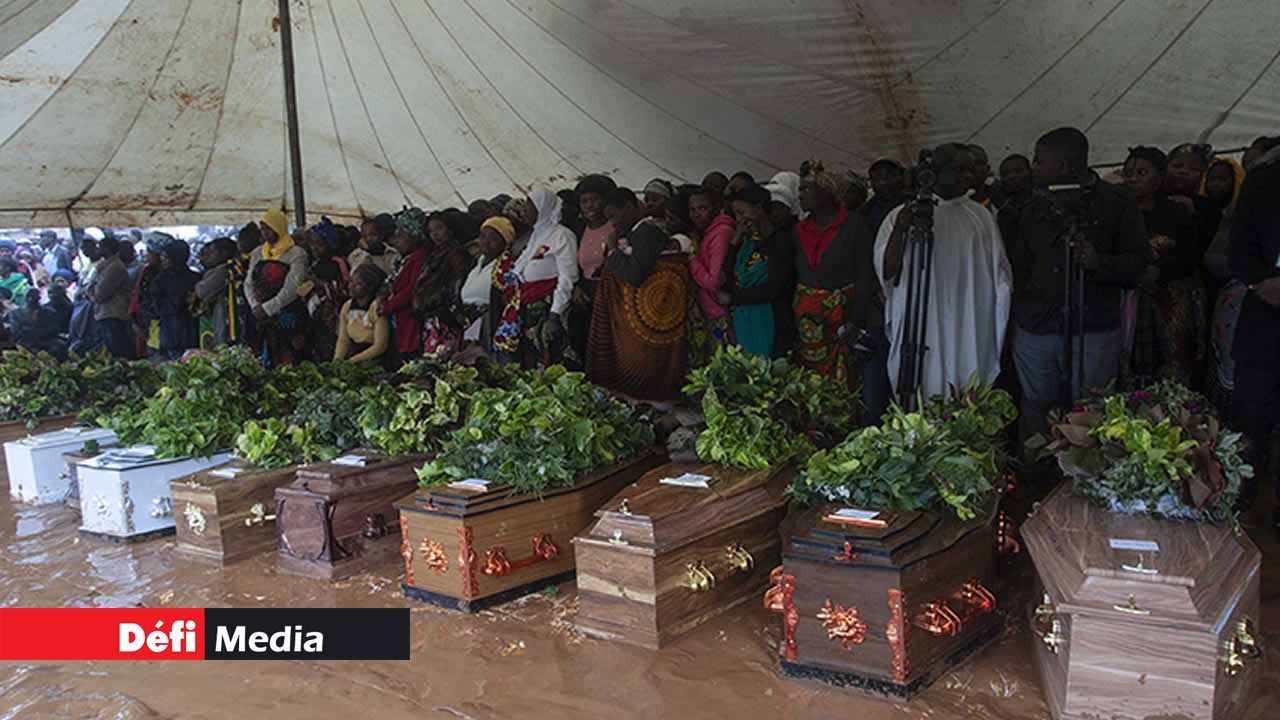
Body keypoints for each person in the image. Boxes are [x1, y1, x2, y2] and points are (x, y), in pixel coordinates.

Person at [1008, 127, 1147, 440]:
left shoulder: (1118, 203)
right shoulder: (1034, 208)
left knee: (1091, 411)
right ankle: (1035, 474)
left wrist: (1101, 263)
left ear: (1066, 165)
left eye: (1040, 161)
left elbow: (1138, 263)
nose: (1034, 167)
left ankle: (1082, 481)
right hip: (1037, 327)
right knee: (1035, 406)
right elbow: (1019, 267)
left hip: (1094, 327)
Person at [876, 143, 1012, 401]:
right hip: (920, 326)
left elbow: (1001, 280)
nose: (969, 176)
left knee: (964, 390)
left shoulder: (980, 217)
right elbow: (886, 271)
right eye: (961, 169)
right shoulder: (901, 216)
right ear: (937, 171)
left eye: (971, 170)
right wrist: (901, 229)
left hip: (968, 323)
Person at [586, 188, 689, 403]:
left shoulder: (646, 232)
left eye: (614, 216)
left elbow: (635, 274)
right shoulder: (636, 232)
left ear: (630, 207)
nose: (612, 224)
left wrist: (613, 251)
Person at [1227, 136, 1280, 526]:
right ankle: (1242, 494)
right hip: (1265, 317)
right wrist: (1266, 281)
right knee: (1252, 418)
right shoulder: (1264, 182)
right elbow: (1238, 250)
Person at [1121, 147, 1203, 385]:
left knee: (1173, 359)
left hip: (1171, 299)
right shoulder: (1117, 212)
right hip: (1128, 297)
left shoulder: (1176, 212)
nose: (1133, 179)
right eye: (1128, 173)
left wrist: (1160, 270)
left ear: (1160, 175)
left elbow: (1190, 252)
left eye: (1141, 172)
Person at [793, 162, 877, 391]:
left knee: (844, 381)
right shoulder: (800, 230)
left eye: (806, 190)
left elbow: (865, 276)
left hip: (843, 318)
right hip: (808, 323)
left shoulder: (855, 227)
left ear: (827, 193)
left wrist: (855, 321)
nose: (800, 196)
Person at [495, 189, 579, 369]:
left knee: (550, 362)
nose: (525, 211)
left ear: (543, 208)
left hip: (549, 308)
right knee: (529, 362)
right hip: (527, 306)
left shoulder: (562, 235)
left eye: (529, 207)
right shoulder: (536, 235)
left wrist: (555, 314)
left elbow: (567, 277)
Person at [722, 184, 796, 358]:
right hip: (744, 322)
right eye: (735, 215)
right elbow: (725, 281)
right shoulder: (746, 244)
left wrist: (734, 298)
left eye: (742, 212)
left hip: (772, 321)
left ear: (759, 208)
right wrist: (735, 241)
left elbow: (774, 288)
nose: (739, 219)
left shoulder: (781, 242)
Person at [246, 209, 309, 366]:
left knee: (288, 359)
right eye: (262, 228)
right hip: (258, 313)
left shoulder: (296, 253)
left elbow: (292, 287)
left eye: (268, 228)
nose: (264, 232)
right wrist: (255, 306)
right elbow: (248, 282)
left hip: (285, 314)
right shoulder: (258, 253)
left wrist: (268, 308)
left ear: (278, 228)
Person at [568, 174, 618, 368]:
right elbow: (575, 265)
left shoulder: (615, 227)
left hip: (611, 294)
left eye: (594, 200)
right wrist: (577, 286)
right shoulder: (579, 230)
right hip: (586, 296)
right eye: (584, 201)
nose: (589, 206)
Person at [414, 211, 475, 355]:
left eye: (439, 228)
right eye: (431, 231)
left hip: (447, 317)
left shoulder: (458, 255)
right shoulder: (434, 256)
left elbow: (456, 284)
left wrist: (452, 309)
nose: (435, 234)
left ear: (450, 229)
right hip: (431, 318)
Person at [687, 186, 736, 362]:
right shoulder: (709, 233)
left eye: (702, 208)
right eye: (692, 209)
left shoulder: (720, 233)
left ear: (717, 207)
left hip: (721, 314)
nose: (696, 214)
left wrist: (691, 259)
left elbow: (714, 281)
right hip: (712, 312)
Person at [382, 207, 432, 363]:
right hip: (401, 319)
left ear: (414, 236)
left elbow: (411, 289)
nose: (396, 241)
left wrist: (387, 306)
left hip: (410, 321)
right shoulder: (406, 258)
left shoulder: (419, 257)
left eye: (401, 236)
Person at [460, 216, 515, 349]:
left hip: (490, 325)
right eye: (483, 236)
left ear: (505, 243)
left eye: (493, 239)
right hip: (470, 325)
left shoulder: (506, 266)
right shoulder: (477, 262)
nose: (485, 242)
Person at [334, 263, 391, 366]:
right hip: (354, 354)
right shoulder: (347, 307)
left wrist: (353, 361)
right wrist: (337, 361)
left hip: (375, 359)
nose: (351, 286)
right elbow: (343, 340)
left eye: (358, 284)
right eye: (351, 281)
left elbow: (380, 345)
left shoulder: (377, 307)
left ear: (370, 287)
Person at [151, 240, 200, 361]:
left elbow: (158, 307)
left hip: (178, 332)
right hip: (177, 332)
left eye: (165, 257)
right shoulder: (194, 277)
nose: (163, 260)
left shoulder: (162, 279)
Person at [90, 235, 133, 358]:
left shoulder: (115, 267)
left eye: (100, 247)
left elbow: (100, 293)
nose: (97, 250)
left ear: (107, 249)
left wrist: (91, 289)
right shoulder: (104, 266)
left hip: (113, 313)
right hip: (105, 313)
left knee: (118, 349)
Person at [193, 238, 236, 348]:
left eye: (212, 252)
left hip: (224, 318)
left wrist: (198, 285)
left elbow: (201, 290)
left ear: (224, 254)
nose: (209, 256)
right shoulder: (217, 270)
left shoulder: (223, 270)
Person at [859, 159, 908, 235]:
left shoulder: (913, 207)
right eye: (878, 176)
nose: (884, 182)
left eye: (891, 175)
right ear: (871, 182)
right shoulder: (861, 214)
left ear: (901, 178)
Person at [996, 154, 1035, 249]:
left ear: (1030, 173)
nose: (1011, 177)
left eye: (1018, 171)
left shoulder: (1043, 206)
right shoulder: (1003, 213)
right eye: (1005, 174)